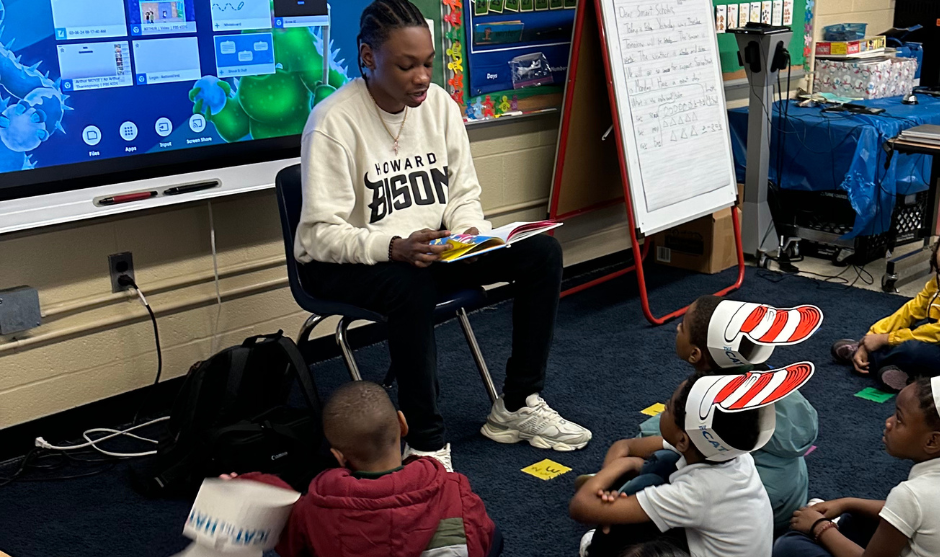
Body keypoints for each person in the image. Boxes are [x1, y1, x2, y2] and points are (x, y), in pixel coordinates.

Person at [293, 0, 591, 471]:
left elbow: (463, 194)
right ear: (368, 58)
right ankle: (426, 443)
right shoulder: (332, 122)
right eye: (406, 65)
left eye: (428, 63)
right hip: (352, 262)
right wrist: (391, 247)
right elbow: (316, 236)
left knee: (542, 254)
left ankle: (515, 405)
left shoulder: (440, 108)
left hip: (434, 251)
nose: (421, 77)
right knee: (410, 287)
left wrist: (470, 235)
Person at [237, 381, 502, 557]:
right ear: (402, 425)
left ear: (338, 457)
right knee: (492, 534)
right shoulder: (453, 489)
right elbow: (482, 539)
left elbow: (283, 524)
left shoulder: (316, 509)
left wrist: (246, 485)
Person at [635, 295, 819, 535]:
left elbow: (671, 432)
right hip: (789, 496)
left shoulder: (713, 401)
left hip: (750, 509)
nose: (677, 328)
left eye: (682, 326)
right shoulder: (772, 386)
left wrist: (636, 447)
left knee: (656, 469)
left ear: (695, 354)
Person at [570, 371, 787, 557]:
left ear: (683, 439)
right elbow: (625, 445)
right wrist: (618, 486)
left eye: (667, 408)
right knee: (663, 463)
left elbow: (581, 506)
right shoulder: (727, 452)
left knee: (625, 521)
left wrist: (622, 469)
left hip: (698, 508)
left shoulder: (698, 491)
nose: (664, 408)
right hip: (708, 524)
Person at [773, 377, 940, 557]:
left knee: (789, 546)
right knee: (858, 517)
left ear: (932, 441)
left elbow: (910, 505)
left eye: (899, 419)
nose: (888, 422)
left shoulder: (911, 494)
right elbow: (909, 512)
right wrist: (848, 503)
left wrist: (819, 527)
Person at [832, 243, 940, 391]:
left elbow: (937, 332)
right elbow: (909, 311)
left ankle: (873, 360)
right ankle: (902, 372)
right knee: (909, 333)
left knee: (912, 350)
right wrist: (872, 337)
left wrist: (885, 339)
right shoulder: (936, 282)